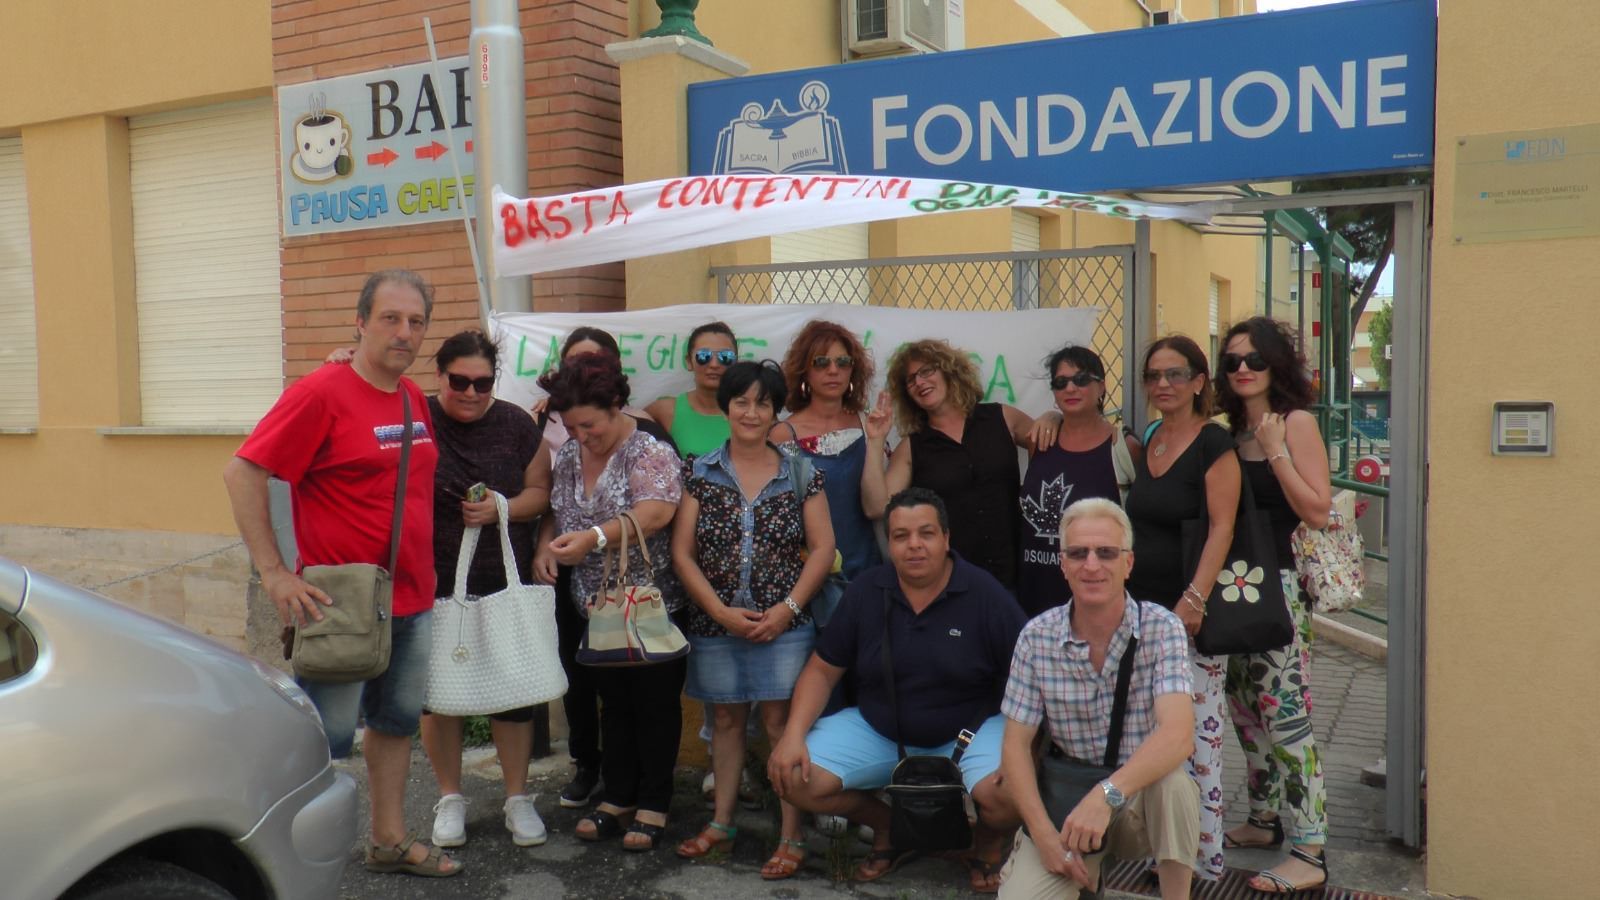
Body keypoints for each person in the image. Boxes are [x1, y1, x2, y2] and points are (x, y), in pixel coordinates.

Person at [222, 269, 459, 877]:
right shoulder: (320, 393)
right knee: (320, 740)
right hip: (340, 602)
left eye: (416, 322)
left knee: (395, 723)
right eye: (390, 318)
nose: (404, 332)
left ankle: (388, 840)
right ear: (360, 322)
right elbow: (243, 473)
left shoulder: (411, 397)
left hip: (411, 597)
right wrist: (275, 573)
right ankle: (279, 863)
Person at [768, 488, 1027, 894]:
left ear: (946, 538)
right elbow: (821, 670)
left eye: (926, 533)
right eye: (901, 536)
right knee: (794, 777)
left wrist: (1023, 750)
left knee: (1011, 793)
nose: (914, 545)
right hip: (881, 729)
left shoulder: (985, 595)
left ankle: (987, 842)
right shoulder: (866, 590)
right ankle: (892, 828)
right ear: (889, 543)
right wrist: (792, 735)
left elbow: (1029, 680)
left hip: (969, 731)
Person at [671, 361, 837, 880]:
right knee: (724, 721)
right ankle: (722, 823)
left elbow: (823, 548)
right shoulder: (699, 472)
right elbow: (682, 553)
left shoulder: (800, 472)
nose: (751, 412)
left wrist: (787, 610)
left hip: (784, 626)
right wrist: (719, 611)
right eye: (741, 401)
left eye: (763, 403)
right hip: (715, 625)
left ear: (775, 412)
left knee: (780, 724)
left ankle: (791, 835)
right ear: (727, 407)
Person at [998, 498, 1200, 900]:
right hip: (1068, 798)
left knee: (1175, 786)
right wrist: (1044, 836)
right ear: (1063, 564)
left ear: (1128, 563)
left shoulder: (1162, 628)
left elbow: (1179, 736)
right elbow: (1015, 747)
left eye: (1106, 553)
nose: (1092, 565)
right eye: (1078, 553)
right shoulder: (1036, 636)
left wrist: (1106, 795)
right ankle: (1082, 875)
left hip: (1138, 797)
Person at [532, 353, 686, 852]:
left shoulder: (648, 450)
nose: (582, 436)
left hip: (649, 603)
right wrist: (545, 548)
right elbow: (557, 511)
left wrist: (594, 538)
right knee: (613, 704)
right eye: (572, 427)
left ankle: (654, 802)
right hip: (593, 606)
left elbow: (657, 511)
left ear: (616, 405)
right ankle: (618, 795)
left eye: (590, 426)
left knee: (654, 705)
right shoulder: (570, 455)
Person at [417, 330, 554, 850]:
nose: (472, 392)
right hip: (429, 576)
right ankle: (450, 797)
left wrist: (502, 507)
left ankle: (517, 797)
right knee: (439, 696)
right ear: (439, 375)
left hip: (502, 577)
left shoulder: (516, 424)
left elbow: (540, 492)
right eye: (460, 381)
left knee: (513, 692)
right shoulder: (417, 417)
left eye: (483, 382)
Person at [1214, 317, 1331, 894]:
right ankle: (1264, 820)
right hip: (1235, 586)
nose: (1243, 369)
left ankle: (1310, 848)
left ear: (1276, 365)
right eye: (1233, 360)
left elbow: (1317, 510)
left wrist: (1276, 452)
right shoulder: (1230, 430)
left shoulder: (1295, 423)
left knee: (1285, 715)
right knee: (1243, 710)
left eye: (1255, 360)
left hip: (1279, 587)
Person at [1122, 335, 1240, 881]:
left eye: (1174, 374)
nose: (1162, 384)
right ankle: (1162, 851)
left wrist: (1194, 599)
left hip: (1190, 616)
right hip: (1143, 613)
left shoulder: (1213, 442)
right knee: (1154, 738)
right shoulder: (1152, 437)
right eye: (1153, 375)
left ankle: (1200, 859)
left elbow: (1223, 526)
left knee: (1197, 738)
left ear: (1198, 381)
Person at [883, 339, 1058, 593]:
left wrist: (1054, 416)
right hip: (953, 584)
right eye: (910, 380)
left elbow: (1052, 443)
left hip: (1017, 573)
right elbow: (878, 506)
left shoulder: (1002, 417)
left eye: (927, 371)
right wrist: (876, 442)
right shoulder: (911, 447)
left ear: (949, 371)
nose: (919, 382)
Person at [1016, 345, 1142, 617]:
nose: (1070, 388)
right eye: (1061, 382)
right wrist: (1051, 417)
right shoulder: (1040, 441)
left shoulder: (1123, 448)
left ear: (1102, 387)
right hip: (1035, 595)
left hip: (1096, 598)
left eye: (1081, 379)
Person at [774, 320, 889, 580]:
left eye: (843, 362)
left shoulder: (868, 425)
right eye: (821, 362)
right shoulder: (783, 434)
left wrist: (875, 442)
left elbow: (877, 508)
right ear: (804, 370)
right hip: (806, 578)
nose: (833, 370)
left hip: (868, 572)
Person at [645, 320, 737, 458]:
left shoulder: (751, 413)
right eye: (704, 356)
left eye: (725, 357)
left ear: (736, 362)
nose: (714, 364)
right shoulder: (666, 411)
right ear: (689, 362)